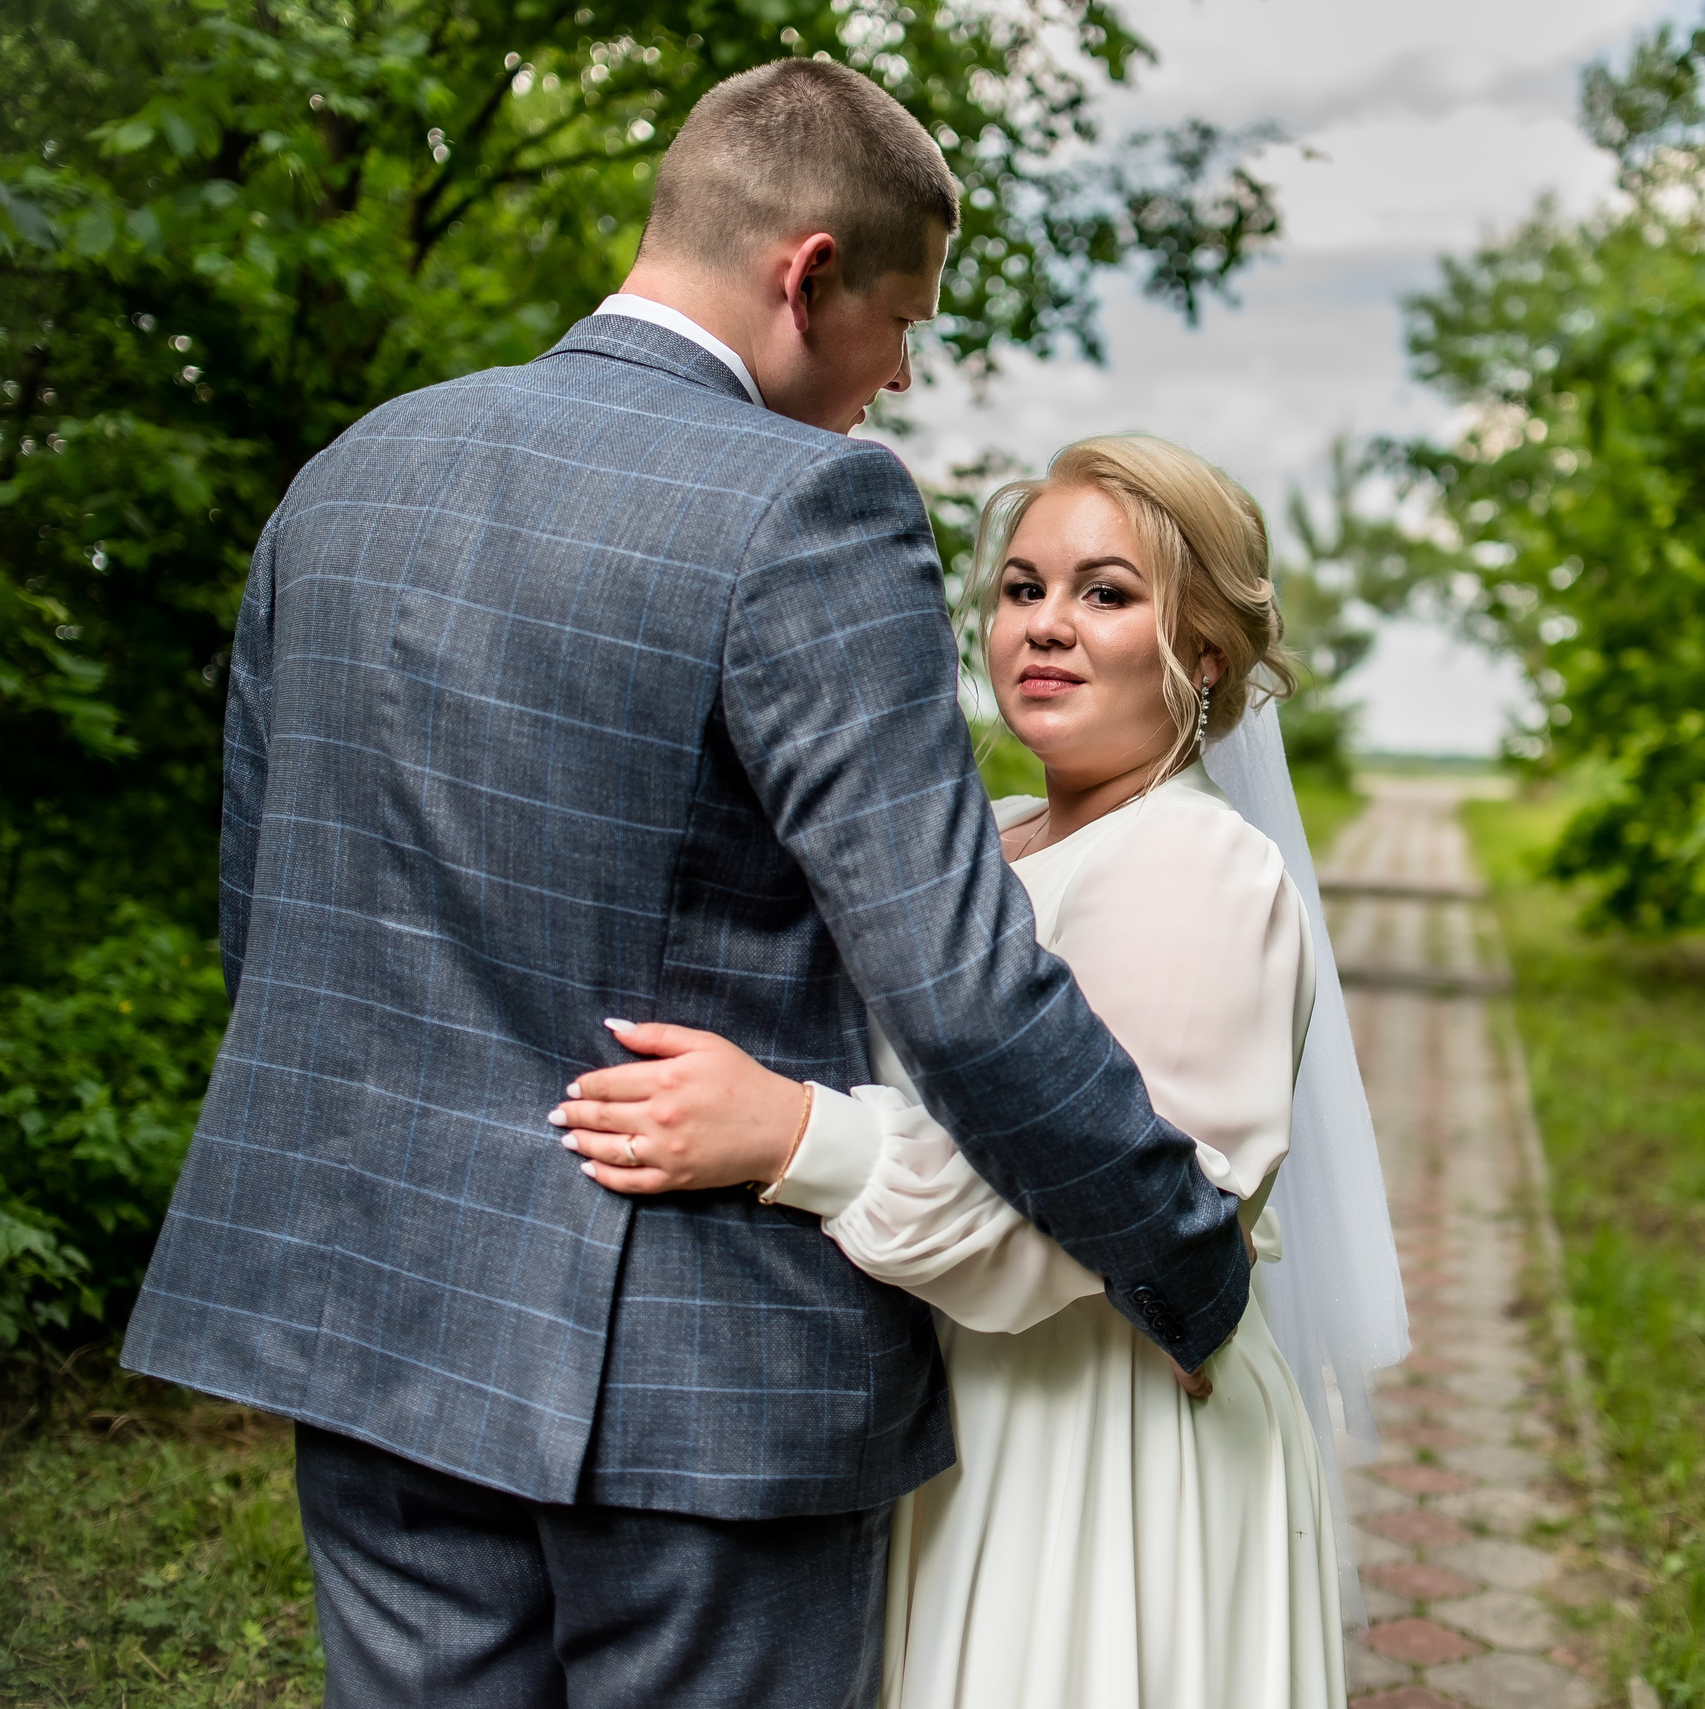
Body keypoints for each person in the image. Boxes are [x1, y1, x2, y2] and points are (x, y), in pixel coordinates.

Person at [120, 62, 1253, 1707]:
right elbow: (958, 982)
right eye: (905, 316)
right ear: (809, 275)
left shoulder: (355, 469)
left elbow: (270, 921)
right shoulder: (811, 504)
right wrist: (1183, 1250)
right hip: (698, 1389)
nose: (903, 370)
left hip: (367, 1320)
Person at [556, 436, 1406, 1708]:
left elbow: (1087, 1209)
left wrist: (793, 1137)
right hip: (962, 1401)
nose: (1046, 626)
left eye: (1105, 594)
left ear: (1207, 651)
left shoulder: (1192, 867)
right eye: (1021, 588)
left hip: (1093, 1427)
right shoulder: (996, 841)